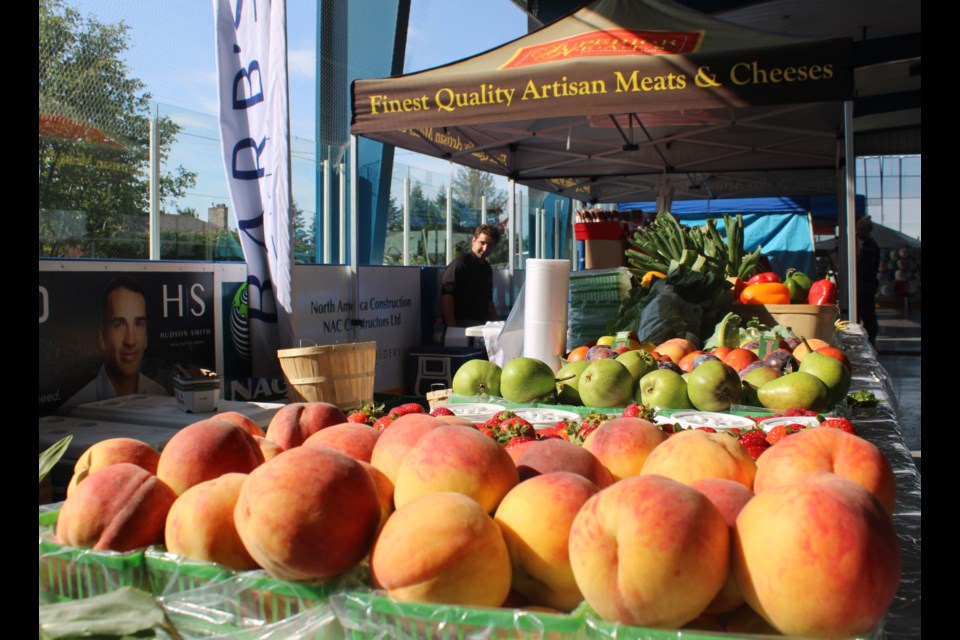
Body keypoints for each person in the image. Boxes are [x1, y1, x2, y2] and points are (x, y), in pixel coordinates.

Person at [58, 276, 167, 413]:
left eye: (138, 324)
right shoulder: (74, 410)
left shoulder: (159, 394)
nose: (130, 341)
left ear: (146, 337)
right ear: (102, 337)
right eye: (119, 325)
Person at [440, 223, 501, 328]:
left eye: (490, 245)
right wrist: (453, 329)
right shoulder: (460, 263)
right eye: (482, 243)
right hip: (462, 324)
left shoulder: (486, 267)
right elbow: (447, 296)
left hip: (481, 324)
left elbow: (488, 301)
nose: (485, 248)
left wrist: (499, 326)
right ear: (473, 241)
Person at [856, 216, 881, 345]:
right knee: (867, 313)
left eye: (859, 230)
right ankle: (870, 339)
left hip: (866, 285)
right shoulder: (868, 246)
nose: (857, 233)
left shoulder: (869, 247)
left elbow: (865, 268)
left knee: (867, 313)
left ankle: (870, 340)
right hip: (866, 284)